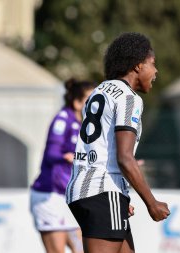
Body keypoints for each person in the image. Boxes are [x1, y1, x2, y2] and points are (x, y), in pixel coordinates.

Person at [65, 32, 170, 253]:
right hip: (102, 190)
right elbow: (124, 157)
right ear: (138, 66)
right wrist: (152, 203)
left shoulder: (98, 91)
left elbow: (102, 148)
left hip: (85, 189)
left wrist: (120, 196)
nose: (156, 71)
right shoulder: (128, 98)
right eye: (153, 64)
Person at [30, 78, 97, 253]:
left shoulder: (86, 125)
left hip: (69, 197)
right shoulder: (62, 119)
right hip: (49, 196)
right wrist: (68, 157)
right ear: (77, 103)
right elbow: (51, 153)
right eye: (91, 100)